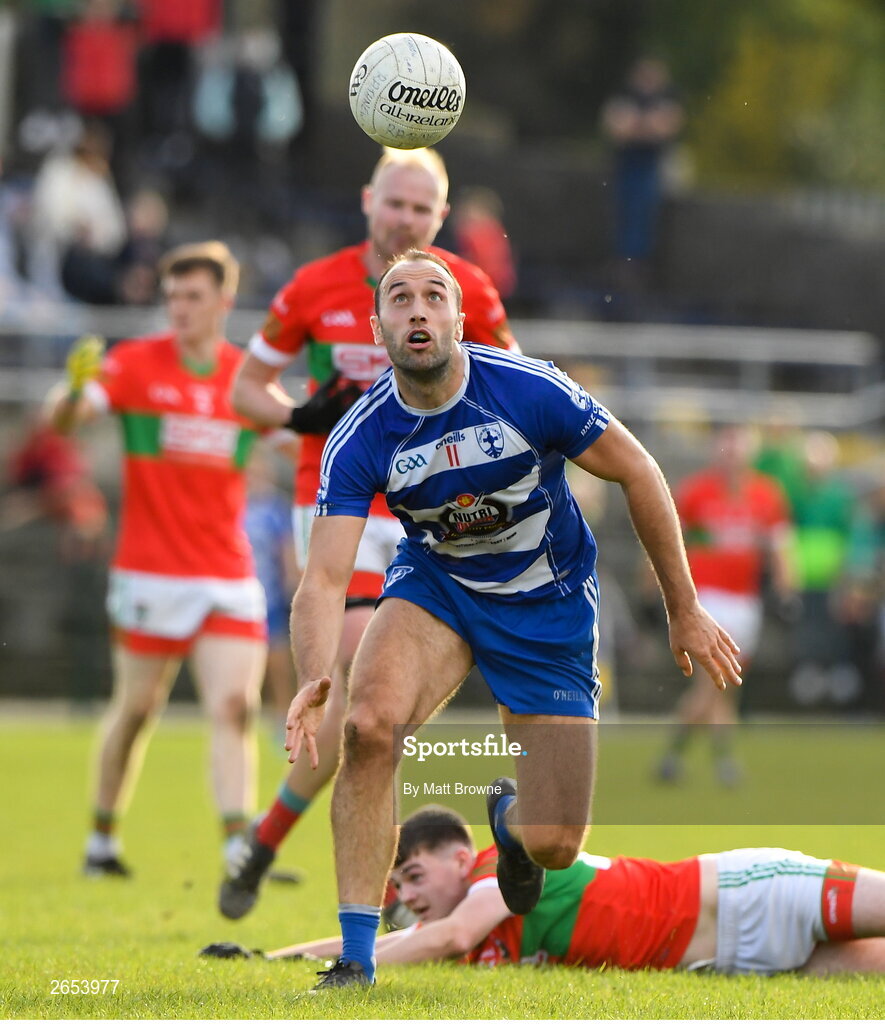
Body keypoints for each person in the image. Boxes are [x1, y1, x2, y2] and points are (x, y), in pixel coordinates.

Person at [279, 249, 740, 989]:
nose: (418, 309)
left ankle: (511, 829)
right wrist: (311, 674)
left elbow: (638, 470)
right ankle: (355, 961)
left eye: (435, 296)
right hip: (440, 588)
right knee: (368, 728)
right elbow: (325, 576)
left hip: (547, 601)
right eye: (399, 299)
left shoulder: (528, 389)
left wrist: (682, 609)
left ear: (461, 320)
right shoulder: (358, 435)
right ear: (379, 326)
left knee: (557, 845)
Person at [222, 146, 517, 920]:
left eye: (421, 209)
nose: (405, 219)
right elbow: (244, 389)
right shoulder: (314, 287)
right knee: (361, 677)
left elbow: (515, 390)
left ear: (441, 218)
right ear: (367, 200)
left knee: (376, 717)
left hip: (433, 513)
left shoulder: (465, 290)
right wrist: (298, 415)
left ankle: (266, 836)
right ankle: (382, 885)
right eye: (395, 204)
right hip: (338, 505)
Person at [47, 241, 270, 876]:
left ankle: (236, 843)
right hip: (150, 571)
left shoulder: (242, 376)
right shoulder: (134, 364)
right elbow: (67, 417)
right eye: (171, 296)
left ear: (224, 302)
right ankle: (102, 838)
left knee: (235, 705)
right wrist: (70, 394)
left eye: (194, 296)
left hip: (227, 572)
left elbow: (296, 434)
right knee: (137, 710)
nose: (180, 308)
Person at [205, 804, 885, 976]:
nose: (408, 895)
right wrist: (271, 959)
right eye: (398, 886)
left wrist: (348, 969)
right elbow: (399, 940)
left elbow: (440, 935)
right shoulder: (459, 915)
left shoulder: (501, 871)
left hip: (745, 893)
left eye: (413, 876)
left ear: (459, 855)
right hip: (730, 958)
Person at [655, 425, 795, 786]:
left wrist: (785, 589)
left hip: (745, 602)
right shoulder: (696, 492)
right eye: (727, 449)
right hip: (709, 598)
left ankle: (677, 756)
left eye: (739, 449)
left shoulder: (766, 495)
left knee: (727, 686)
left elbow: (779, 548)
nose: (733, 456)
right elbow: (669, 541)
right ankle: (718, 761)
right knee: (712, 683)